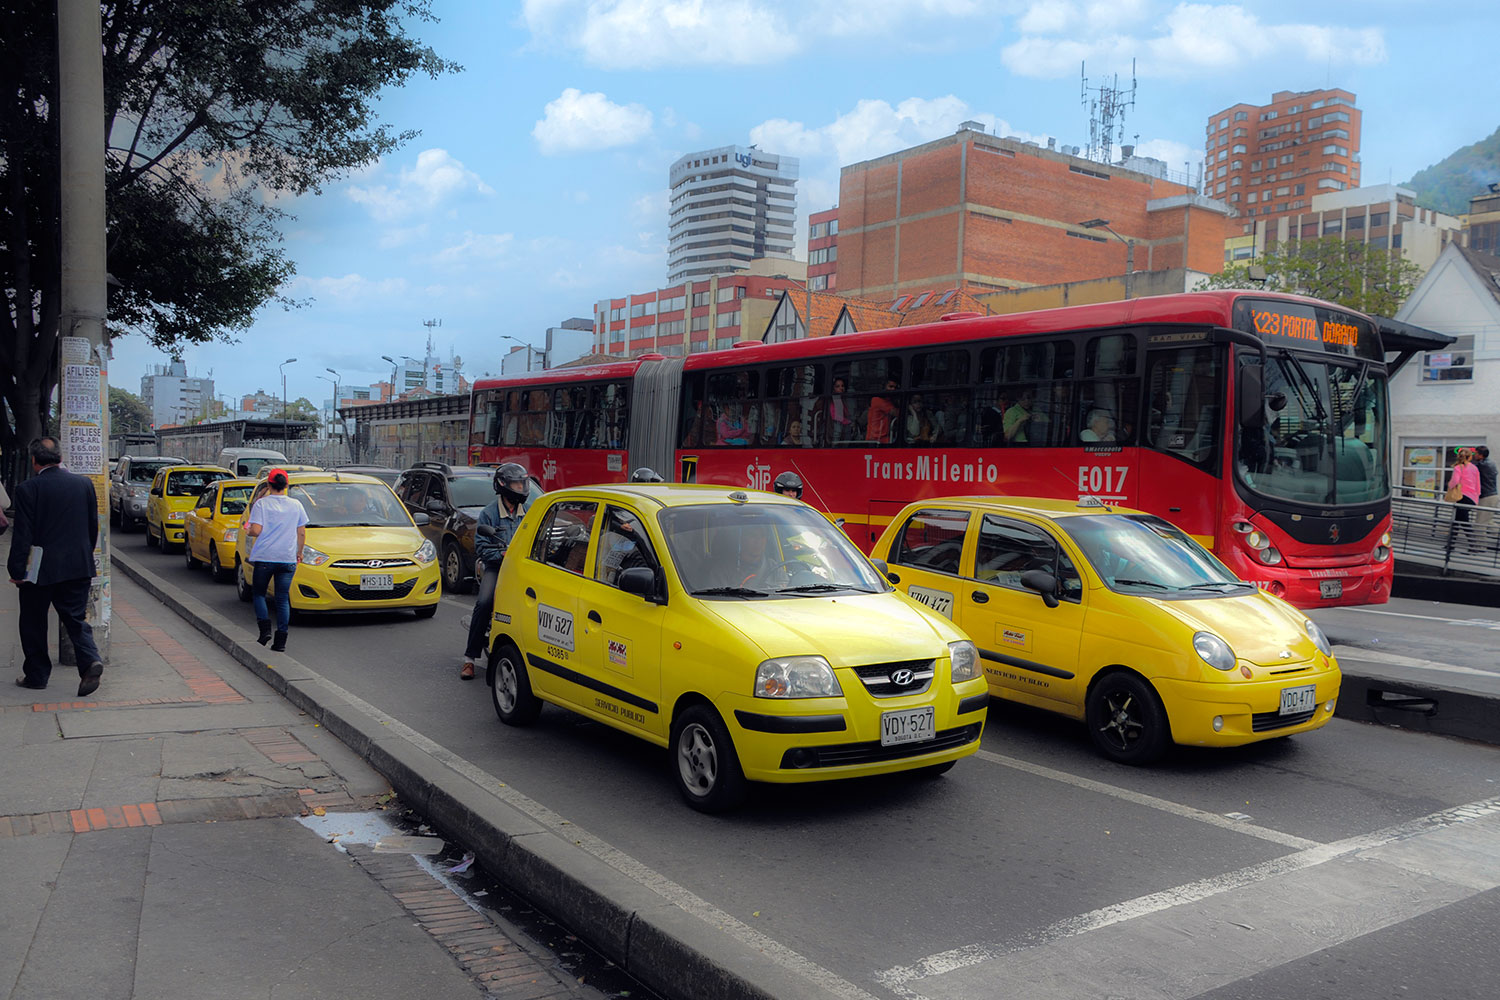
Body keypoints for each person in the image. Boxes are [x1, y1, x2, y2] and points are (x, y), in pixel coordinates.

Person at [8, 438, 104, 695]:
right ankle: (90, 661)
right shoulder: (83, 484)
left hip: (39, 570)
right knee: (75, 618)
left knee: (33, 621)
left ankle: (37, 675)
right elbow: (91, 527)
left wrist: (16, 571)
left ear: (34, 461)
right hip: (78, 565)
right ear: (60, 458)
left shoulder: (28, 489)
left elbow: (23, 535)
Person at [461, 462, 532, 680]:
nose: (520, 488)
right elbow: (481, 547)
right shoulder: (489, 513)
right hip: (496, 567)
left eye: (522, 484)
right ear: (503, 485)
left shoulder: (528, 512)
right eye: (516, 484)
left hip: (521, 569)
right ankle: (470, 659)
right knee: (484, 603)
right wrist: (501, 555)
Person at [245, 468, 308, 652]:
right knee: (282, 599)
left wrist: (247, 530)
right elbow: (302, 531)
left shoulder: (262, 505)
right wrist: (299, 552)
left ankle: (265, 630)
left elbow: (255, 530)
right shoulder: (296, 504)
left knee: (259, 594)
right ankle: (280, 641)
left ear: (269, 485)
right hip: (287, 558)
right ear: (286, 485)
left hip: (265, 557)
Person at [1446, 448, 1481, 554]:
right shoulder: (1474, 468)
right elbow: (1478, 484)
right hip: (1472, 497)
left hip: (1462, 496)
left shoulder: (1458, 467)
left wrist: (1449, 486)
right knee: (1457, 520)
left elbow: (1455, 481)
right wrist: (1477, 496)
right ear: (1470, 457)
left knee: (1463, 522)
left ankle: (1472, 545)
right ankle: (1451, 545)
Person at [1475, 445, 1498, 545]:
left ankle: (1480, 547)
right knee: (1488, 522)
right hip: (1493, 495)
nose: (1474, 455)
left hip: (1486, 497)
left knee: (1480, 523)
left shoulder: (1482, 465)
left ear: (1481, 455)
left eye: (1475, 453)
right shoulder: (1491, 463)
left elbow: (1471, 469)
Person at [867, 379, 899, 444]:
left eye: (895, 388)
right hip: (877, 439)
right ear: (884, 387)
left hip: (882, 437)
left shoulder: (887, 400)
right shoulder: (878, 400)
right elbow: (896, 413)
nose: (893, 389)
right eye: (890, 387)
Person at [828, 377, 855, 441]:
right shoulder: (834, 399)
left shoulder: (843, 399)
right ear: (833, 389)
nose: (841, 388)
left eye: (842, 386)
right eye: (838, 386)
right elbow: (835, 416)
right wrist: (848, 421)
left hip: (843, 429)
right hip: (836, 429)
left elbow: (847, 413)